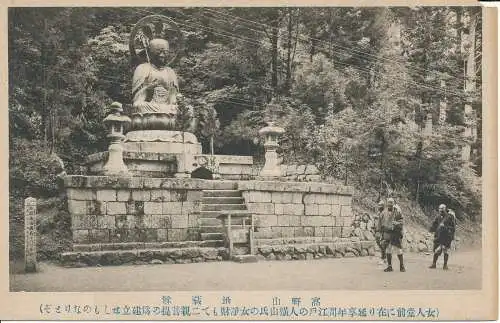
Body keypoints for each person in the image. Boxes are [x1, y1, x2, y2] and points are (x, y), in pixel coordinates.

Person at [132, 38, 179, 115]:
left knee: (174, 108)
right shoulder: (142, 68)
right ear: (151, 53)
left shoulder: (170, 71)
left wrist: (173, 101)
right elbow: (137, 97)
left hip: (166, 105)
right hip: (149, 105)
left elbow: (173, 94)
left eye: (165, 52)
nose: (162, 55)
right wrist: (149, 88)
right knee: (138, 106)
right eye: (159, 51)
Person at [378, 198, 405, 272]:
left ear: (393, 204)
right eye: (388, 203)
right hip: (387, 232)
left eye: (391, 203)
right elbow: (380, 223)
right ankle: (389, 266)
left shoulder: (398, 212)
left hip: (395, 233)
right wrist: (380, 233)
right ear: (386, 204)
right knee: (388, 249)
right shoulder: (383, 212)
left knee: (398, 249)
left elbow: (402, 221)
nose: (390, 204)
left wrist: (397, 223)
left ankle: (402, 266)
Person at [429, 204, 456, 270]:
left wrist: (445, 227)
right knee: (436, 250)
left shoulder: (450, 217)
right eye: (440, 208)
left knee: (445, 249)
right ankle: (434, 264)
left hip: (446, 236)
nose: (441, 210)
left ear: (445, 209)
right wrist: (431, 230)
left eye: (442, 209)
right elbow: (434, 224)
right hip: (438, 236)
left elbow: (453, 227)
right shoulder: (438, 217)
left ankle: (445, 265)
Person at [374, 200, 388, 265]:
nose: (379, 206)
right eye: (379, 205)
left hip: (382, 231)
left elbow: (384, 223)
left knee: (382, 245)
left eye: (380, 205)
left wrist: (382, 232)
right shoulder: (379, 213)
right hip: (378, 231)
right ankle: (384, 258)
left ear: (383, 206)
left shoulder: (384, 213)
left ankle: (383, 259)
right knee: (380, 244)